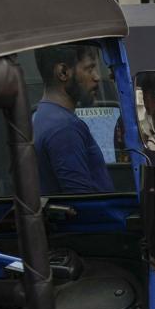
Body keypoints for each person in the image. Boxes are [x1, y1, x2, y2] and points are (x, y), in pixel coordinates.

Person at [32, 44, 114, 195]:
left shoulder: (43, 115)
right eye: (89, 69)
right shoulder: (65, 128)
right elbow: (82, 204)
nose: (97, 77)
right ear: (63, 72)